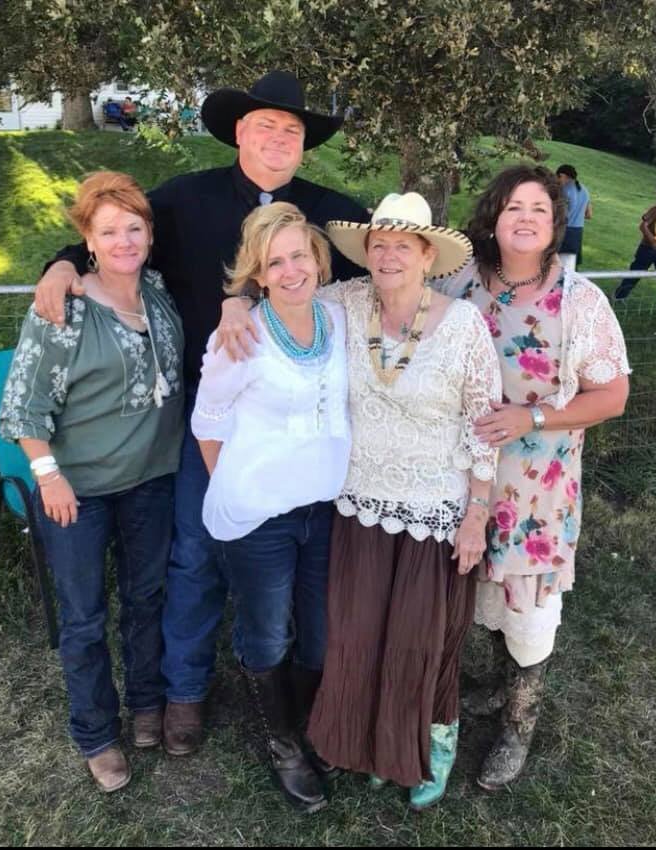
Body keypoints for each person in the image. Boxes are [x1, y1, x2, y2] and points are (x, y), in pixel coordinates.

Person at [32, 70, 369, 758]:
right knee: (193, 554)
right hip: (205, 416)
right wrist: (62, 265)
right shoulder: (186, 199)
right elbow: (116, 232)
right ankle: (184, 692)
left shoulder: (328, 213)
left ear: (305, 145)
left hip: (290, 428)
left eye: (292, 131)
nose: (278, 140)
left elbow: (393, 258)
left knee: (297, 560)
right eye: (265, 126)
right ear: (240, 133)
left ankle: (301, 691)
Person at [218, 191, 501, 808]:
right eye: (379, 244)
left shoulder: (463, 325)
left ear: (428, 255)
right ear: (364, 255)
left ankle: (432, 744)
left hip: (436, 508)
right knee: (359, 636)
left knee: (423, 639)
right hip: (357, 507)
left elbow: (485, 426)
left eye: (403, 244)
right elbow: (278, 290)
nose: (389, 254)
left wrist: (477, 513)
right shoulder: (343, 303)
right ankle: (374, 743)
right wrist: (234, 303)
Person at [440, 165, 630, 791]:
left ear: (556, 224)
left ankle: (520, 719)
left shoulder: (580, 300)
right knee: (475, 592)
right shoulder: (457, 282)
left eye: (539, 210)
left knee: (528, 605)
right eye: (513, 206)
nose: (525, 217)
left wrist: (535, 415)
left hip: (537, 487)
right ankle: (497, 686)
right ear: (492, 216)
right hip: (461, 476)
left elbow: (612, 396)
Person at [0, 171, 185, 792]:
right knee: (83, 616)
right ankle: (96, 732)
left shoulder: (158, 292)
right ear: (88, 240)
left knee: (146, 598)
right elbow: (22, 405)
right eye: (109, 231)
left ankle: (148, 703)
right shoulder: (64, 308)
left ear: (149, 235)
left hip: (152, 480)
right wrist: (48, 475)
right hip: (76, 490)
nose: (125, 240)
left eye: (134, 227)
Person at [192, 203, 351, 812]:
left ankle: (311, 723)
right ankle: (281, 741)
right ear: (257, 274)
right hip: (260, 514)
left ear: (318, 259)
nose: (290, 271)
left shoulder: (338, 317)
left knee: (318, 633)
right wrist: (232, 484)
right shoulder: (240, 336)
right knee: (265, 632)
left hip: (325, 508)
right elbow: (207, 423)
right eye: (273, 261)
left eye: (299, 256)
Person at [614, 183, 656, 309]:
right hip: (647, 250)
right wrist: (652, 241)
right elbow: (643, 226)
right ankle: (618, 298)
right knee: (635, 274)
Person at [555, 164, 592, 271]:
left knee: (557, 264)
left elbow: (565, 214)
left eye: (558, 178)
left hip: (565, 231)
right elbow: (589, 214)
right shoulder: (585, 189)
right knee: (571, 266)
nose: (557, 181)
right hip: (578, 232)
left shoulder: (565, 190)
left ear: (562, 175)